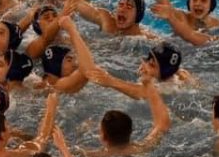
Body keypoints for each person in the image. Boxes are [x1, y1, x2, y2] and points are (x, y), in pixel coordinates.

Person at [59, 15, 192, 99]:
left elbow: (143, 93)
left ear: (165, 73)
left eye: (152, 65)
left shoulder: (170, 87)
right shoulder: (176, 73)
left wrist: (110, 81)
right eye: (147, 59)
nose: (145, 65)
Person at [80, 74, 171, 157]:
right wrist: (149, 85)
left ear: (103, 137)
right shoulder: (142, 149)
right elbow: (162, 124)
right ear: (131, 131)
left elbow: (70, 153)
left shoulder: (96, 156)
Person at [73, 0, 157, 38]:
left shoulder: (146, 38)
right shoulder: (108, 22)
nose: (122, 10)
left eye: (129, 7)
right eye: (120, 5)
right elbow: (74, 2)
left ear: (138, 16)